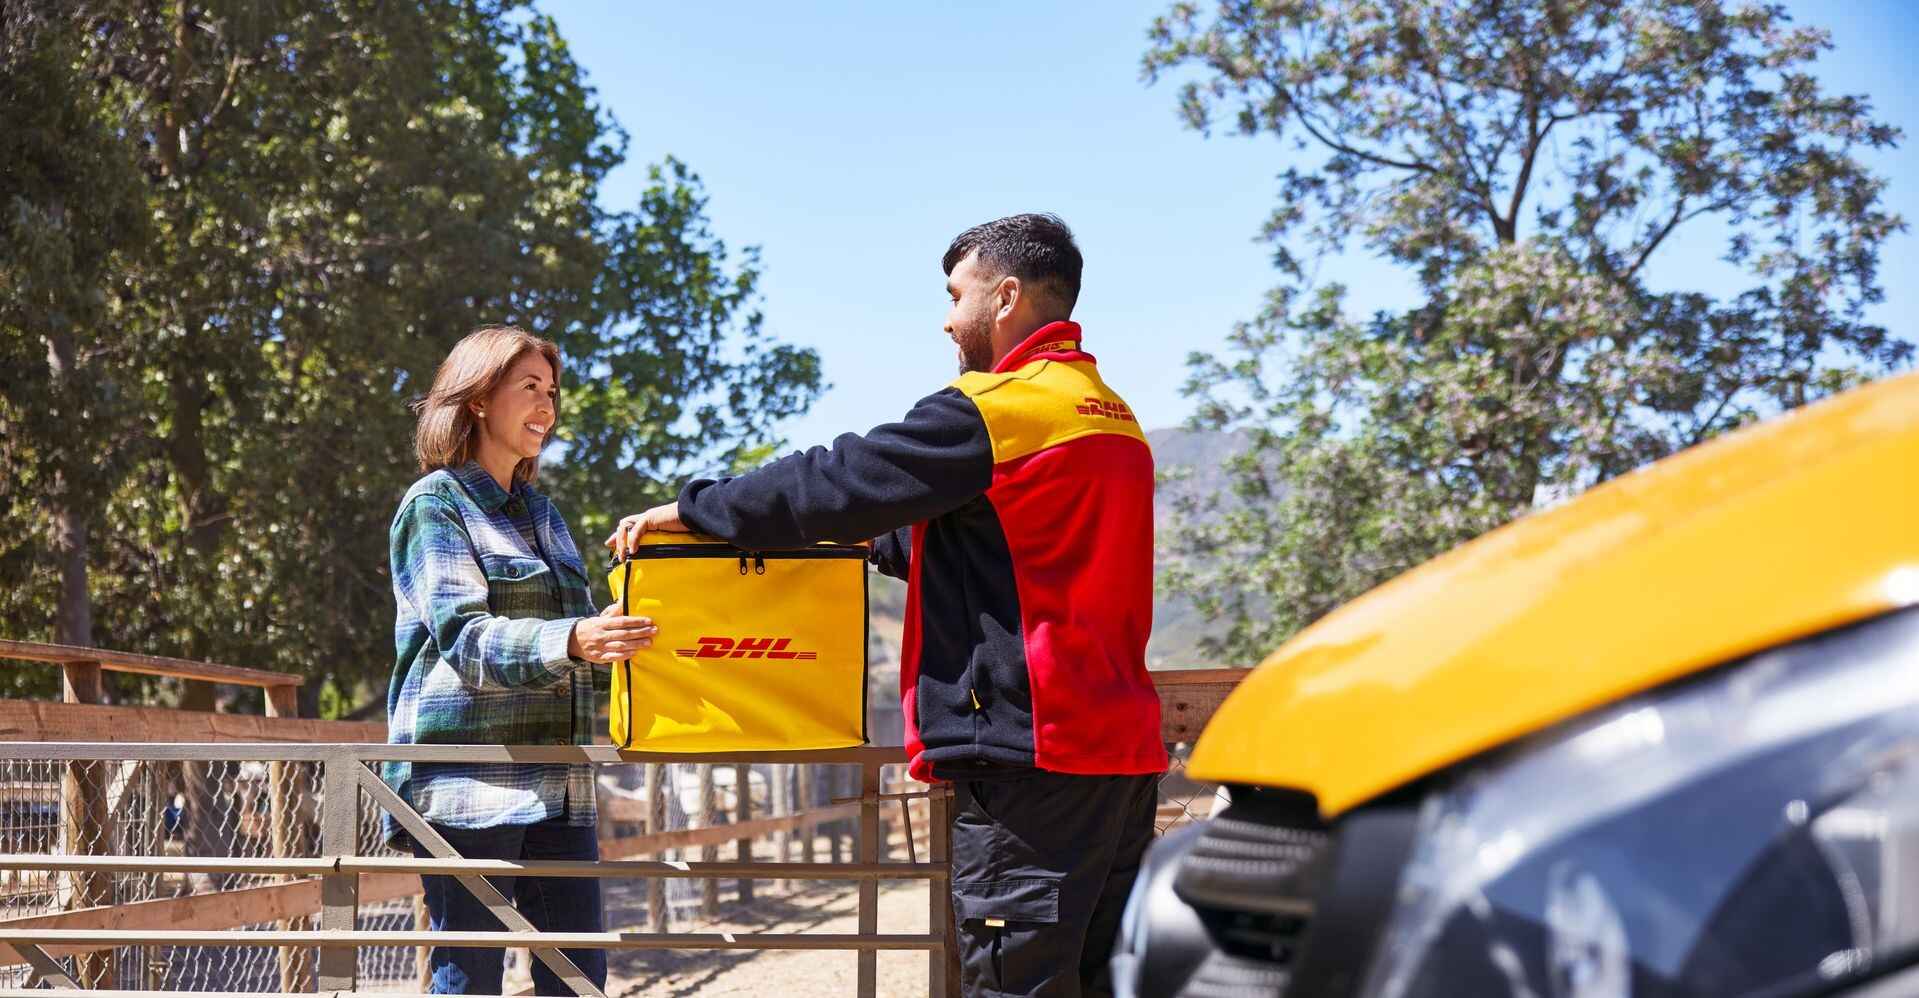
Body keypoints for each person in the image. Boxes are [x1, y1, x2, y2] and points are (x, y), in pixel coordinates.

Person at [610, 214, 1166, 997]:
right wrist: (872, 549)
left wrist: (697, 509)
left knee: (1016, 980)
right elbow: (1004, 552)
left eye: (954, 294)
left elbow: (837, 478)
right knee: (1099, 977)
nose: (946, 318)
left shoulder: (998, 409)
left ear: (1004, 296)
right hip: (1119, 755)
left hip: (1030, 757)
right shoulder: (1109, 414)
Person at [383, 325, 654, 996]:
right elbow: (465, 639)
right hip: (468, 786)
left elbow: (585, 651)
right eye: (529, 388)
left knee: (579, 977)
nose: (547, 407)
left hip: (561, 787)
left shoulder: (545, 515)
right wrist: (572, 640)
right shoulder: (434, 505)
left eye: (553, 392)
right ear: (476, 399)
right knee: (469, 978)